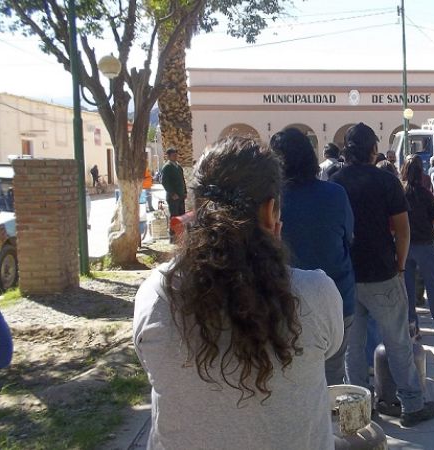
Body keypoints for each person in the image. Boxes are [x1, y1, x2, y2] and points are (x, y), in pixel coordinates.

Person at [133, 137, 343, 449]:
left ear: (195, 210)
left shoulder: (156, 296)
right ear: (271, 211)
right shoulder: (316, 294)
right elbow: (330, 348)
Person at [331, 123, 434, 426]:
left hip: (348, 275)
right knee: (398, 342)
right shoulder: (387, 181)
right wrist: (400, 265)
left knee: (352, 347)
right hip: (382, 272)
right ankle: (412, 406)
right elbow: (402, 230)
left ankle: (361, 408)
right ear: (373, 150)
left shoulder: (335, 182)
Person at [270, 128, 355, 386]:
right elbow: (348, 237)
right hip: (337, 297)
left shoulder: (270, 203)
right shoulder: (335, 194)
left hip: (284, 302)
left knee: (289, 379)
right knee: (332, 377)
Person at [400, 154, 434, 341]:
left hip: (404, 245)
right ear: (421, 172)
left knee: (407, 288)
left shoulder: (399, 192)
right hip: (425, 243)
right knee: (433, 286)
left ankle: (411, 326)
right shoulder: (425, 193)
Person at [160, 148, 187, 239]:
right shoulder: (167, 167)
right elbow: (164, 182)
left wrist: (185, 192)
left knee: (181, 216)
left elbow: (182, 180)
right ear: (168, 156)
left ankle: (181, 236)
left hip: (181, 196)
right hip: (173, 197)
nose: (175, 156)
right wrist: (172, 194)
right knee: (174, 217)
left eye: (176, 155)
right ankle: (173, 237)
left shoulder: (178, 167)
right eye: (173, 155)